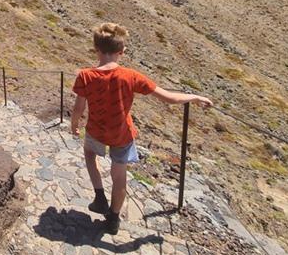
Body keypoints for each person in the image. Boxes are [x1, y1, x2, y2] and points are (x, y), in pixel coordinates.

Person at [70, 23, 212, 235]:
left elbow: (79, 108)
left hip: (96, 130)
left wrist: (74, 126)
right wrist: (195, 97)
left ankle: (99, 196)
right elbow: (169, 98)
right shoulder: (131, 76)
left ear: (96, 49)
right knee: (119, 176)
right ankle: (114, 218)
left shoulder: (85, 76)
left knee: (90, 155)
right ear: (122, 52)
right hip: (122, 134)